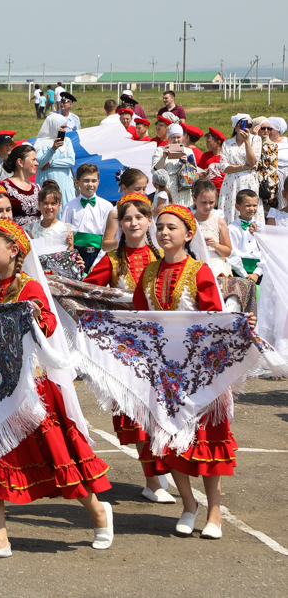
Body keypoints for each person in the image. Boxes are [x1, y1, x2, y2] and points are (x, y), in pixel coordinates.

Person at [0, 218, 113, 561]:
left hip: (32, 392)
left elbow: (48, 325)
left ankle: (99, 513)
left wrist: (30, 315)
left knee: (56, 459)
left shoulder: (29, 288)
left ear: (14, 250)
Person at [133, 205, 235, 540]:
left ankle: (214, 512)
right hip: (164, 374)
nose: (163, 232)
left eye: (171, 227)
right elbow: (139, 320)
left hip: (201, 373)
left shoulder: (200, 271)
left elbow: (215, 320)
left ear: (189, 234)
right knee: (171, 440)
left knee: (208, 441)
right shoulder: (149, 273)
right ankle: (188, 505)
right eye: (160, 227)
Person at [83, 193, 173, 501]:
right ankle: (152, 481)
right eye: (127, 219)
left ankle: (162, 467)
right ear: (120, 224)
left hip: (163, 345)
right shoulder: (111, 260)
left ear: (149, 221)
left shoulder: (164, 257)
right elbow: (86, 293)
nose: (133, 223)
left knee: (164, 411)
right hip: (128, 348)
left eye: (139, 217)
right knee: (140, 413)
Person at [60, 163, 113, 271]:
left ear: (98, 182)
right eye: (86, 180)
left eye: (93, 181)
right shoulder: (69, 206)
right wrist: (72, 258)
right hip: (76, 255)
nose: (90, 184)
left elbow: (109, 236)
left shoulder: (107, 206)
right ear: (77, 182)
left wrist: (97, 262)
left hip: (99, 254)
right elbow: (64, 234)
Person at [217, 114, 263, 226]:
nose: (247, 127)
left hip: (248, 182)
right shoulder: (227, 143)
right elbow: (223, 167)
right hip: (231, 183)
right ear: (236, 126)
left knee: (249, 206)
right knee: (230, 210)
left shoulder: (256, 139)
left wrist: (247, 142)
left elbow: (252, 162)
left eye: (250, 125)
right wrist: (243, 167)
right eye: (243, 124)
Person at [99, 168, 150, 251]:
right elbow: (105, 245)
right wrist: (125, 240)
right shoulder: (116, 212)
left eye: (144, 189)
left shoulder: (146, 208)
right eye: (137, 189)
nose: (142, 193)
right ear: (124, 188)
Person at [191, 179, 232, 276]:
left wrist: (215, 245)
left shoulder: (220, 223)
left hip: (216, 266)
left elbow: (227, 251)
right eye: (203, 202)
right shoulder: (189, 221)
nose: (208, 206)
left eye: (211, 202)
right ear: (194, 199)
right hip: (194, 263)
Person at [34, 114, 75, 210]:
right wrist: (52, 149)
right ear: (54, 126)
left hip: (64, 183)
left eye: (65, 127)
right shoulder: (41, 142)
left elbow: (71, 161)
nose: (64, 130)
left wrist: (51, 163)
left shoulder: (67, 141)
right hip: (47, 182)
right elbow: (40, 163)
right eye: (62, 127)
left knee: (64, 208)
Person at [152, 123, 197, 209]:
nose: (176, 140)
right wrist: (163, 157)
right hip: (166, 188)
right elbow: (155, 171)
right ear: (168, 137)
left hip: (183, 188)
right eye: (173, 137)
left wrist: (186, 163)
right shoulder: (160, 151)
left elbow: (194, 172)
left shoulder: (188, 151)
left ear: (182, 137)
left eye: (178, 137)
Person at [0, 144, 41, 229]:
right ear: (20, 162)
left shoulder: (37, 188)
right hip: (15, 234)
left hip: (37, 235)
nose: (37, 163)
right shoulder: (3, 187)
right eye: (33, 160)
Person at [227, 190, 264, 282]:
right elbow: (232, 253)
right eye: (248, 205)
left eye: (254, 205)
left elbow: (265, 252)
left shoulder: (261, 227)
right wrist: (244, 274)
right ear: (237, 207)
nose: (252, 208)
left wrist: (257, 273)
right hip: (239, 272)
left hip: (259, 272)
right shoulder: (232, 229)